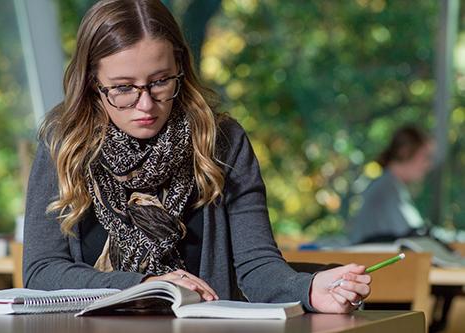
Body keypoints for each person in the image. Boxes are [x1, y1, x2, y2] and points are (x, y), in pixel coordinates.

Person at [23, 0, 370, 313]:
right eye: (123, 88)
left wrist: (309, 289)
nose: (145, 104)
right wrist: (144, 288)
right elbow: (41, 272)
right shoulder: (64, 144)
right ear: (91, 84)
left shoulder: (223, 142)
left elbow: (256, 266)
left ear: (180, 69)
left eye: (160, 81)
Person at [347, 125, 434, 244]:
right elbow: (412, 233)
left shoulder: (391, 185)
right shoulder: (386, 190)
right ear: (405, 152)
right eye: (425, 157)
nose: (428, 165)